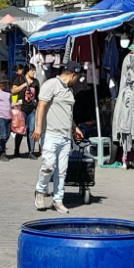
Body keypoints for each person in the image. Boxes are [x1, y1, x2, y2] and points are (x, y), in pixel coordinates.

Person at [32, 61, 84, 214]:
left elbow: (67, 113)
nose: (77, 80)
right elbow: (41, 105)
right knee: (48, 165)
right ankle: (40, 192)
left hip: (65, 136)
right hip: (50, 134)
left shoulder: (69, 91)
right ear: (73, 75)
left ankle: (58, 199)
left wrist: (75, 128)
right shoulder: (51, 84)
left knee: (62, 170)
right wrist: (39, 127)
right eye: (78, 77)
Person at [11, 64, 41, 158]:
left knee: (31, 130)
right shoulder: (20, 79)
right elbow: (13, 90)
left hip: (31, 109)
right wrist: (24, 85)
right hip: (22, 109)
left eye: (34, 70)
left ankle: (31, 152)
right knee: (20, 131)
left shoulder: (36, 82)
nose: (34, 72)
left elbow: (37, 96)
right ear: (27, 71)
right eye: (32, 70)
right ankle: (16, 150)